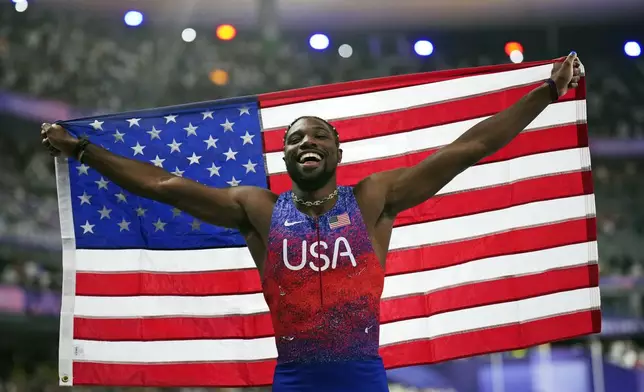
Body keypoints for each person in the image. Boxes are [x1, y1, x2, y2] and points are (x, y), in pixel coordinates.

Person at [41, 53, 581, 392]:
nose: (307, 143)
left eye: (319, 135)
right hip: (294, 381)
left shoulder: (373, 199)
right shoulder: (258, 209)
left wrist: (544, 94)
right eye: (295, 138)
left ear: (338, 152)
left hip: (364, 379)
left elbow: (470, 148)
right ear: (285, 159)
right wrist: (84, 150)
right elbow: (165, 187)